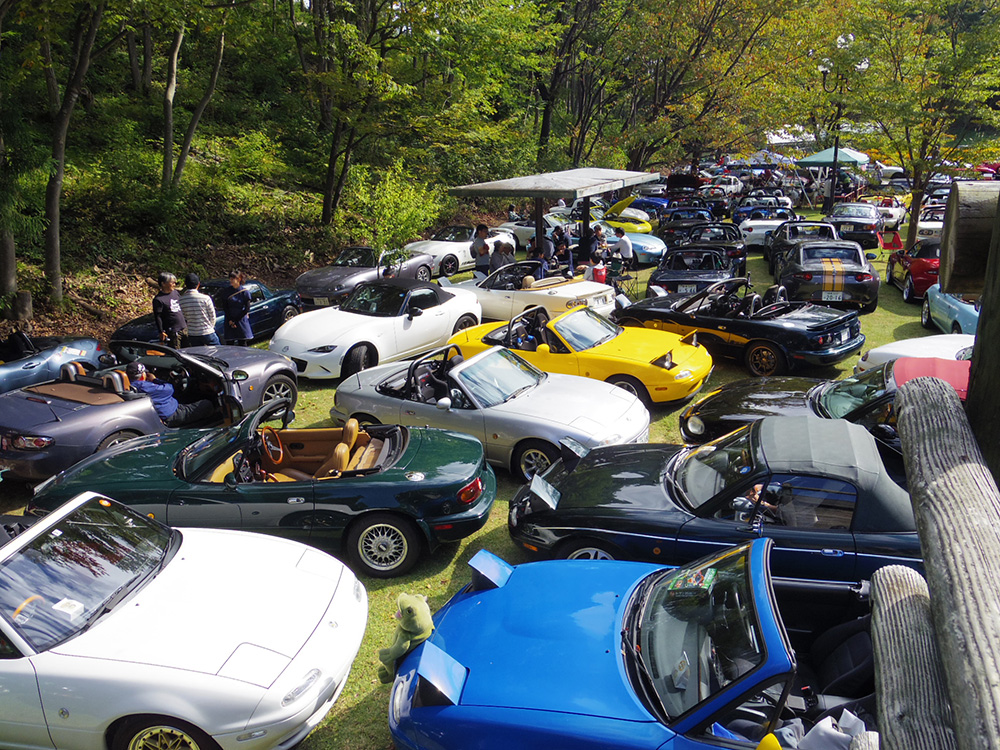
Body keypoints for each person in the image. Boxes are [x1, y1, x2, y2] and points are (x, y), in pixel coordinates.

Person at [126, 361, 215, 427]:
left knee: (186, 398)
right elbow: (169, 389)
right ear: (142, 375)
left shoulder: (128, 385)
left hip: (163, 409)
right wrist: (154, 379)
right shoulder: (145, 386)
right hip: (170, 415)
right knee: (207, 404)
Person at [178, 273, 220, 347]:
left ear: (186, 285)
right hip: (207, 331)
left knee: (198, 353)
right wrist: (210, 327)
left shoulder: (181, 300)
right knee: (217, 350)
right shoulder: (205, 298)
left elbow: (184, 317)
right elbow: (212, 316)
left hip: (192, 333)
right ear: (198, 284)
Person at [152, 272, 187, 348]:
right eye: (172, 282)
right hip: (173, 331)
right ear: (163, 284)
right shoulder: (159, 299)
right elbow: (158, 316)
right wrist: (161, 331)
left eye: (175, 282)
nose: (174, 284)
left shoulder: (175, 293)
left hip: (184, 327)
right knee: (177, 352)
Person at [223, 270, 253, 346]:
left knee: (242, 343)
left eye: (233, 279)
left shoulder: (244, 292)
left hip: (240, 319)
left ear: (239, 279)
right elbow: (225, 307)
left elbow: (247, 308)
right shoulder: (227, 291)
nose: (231, 281)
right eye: (230, 279)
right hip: (229, 319)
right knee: (229, 343)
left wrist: (235, 320)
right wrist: (230, 319)